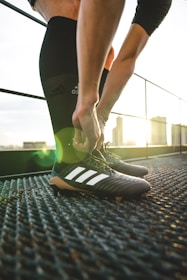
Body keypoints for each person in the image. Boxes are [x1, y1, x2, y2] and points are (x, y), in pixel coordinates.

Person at [27, 0, 152, 198]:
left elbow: (127, 57)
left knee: (106, 52)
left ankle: (93, 150)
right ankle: (71, 162)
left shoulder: (158, 4)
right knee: (69, 9)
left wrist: (100, 116)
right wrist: (87, 102)